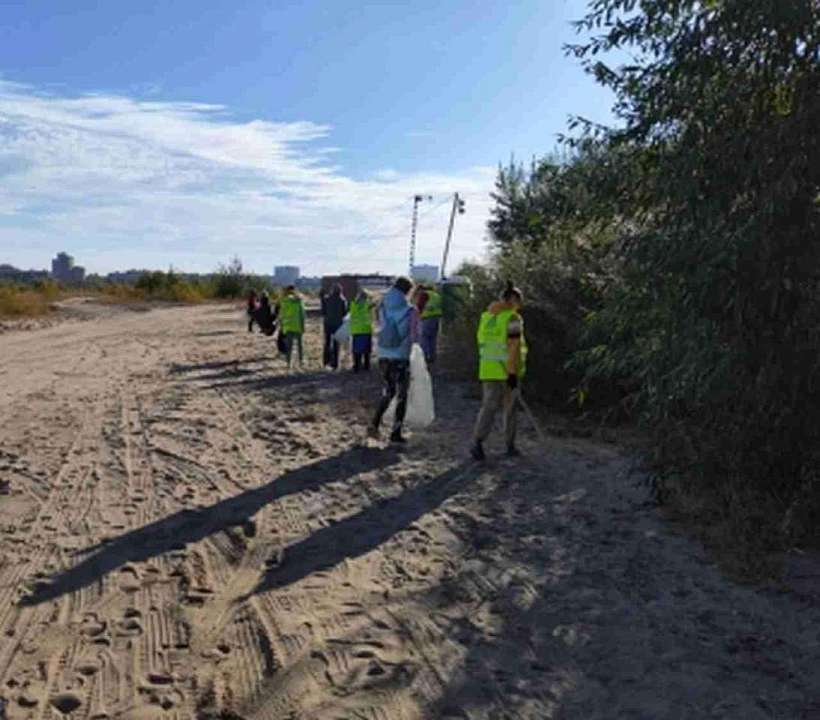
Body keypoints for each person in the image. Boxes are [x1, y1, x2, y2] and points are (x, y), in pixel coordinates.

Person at [470, 282, 527, 461]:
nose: (520, 306)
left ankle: (477, 442)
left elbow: (482, 343)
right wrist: (512, 373)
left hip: (487, 369)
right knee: (510, 410)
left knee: (488, 407)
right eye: (519, 301)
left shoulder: (486, 317)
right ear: (512, 300)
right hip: (507, 371)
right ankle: (510, 445)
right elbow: (513, 347)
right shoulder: (512, 319)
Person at [368, 276, 419, 443]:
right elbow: (414, 336)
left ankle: (374, 424)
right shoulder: (410, 310)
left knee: (388, 391)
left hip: (383, 353)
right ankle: (396, 432)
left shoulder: (381, 305)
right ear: (407, 291)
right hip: (401, 356)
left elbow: (379, 324)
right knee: (402, 394)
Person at [277, 285, 305, 369]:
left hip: (288, 327)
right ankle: (301, 361)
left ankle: (288, 363)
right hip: (298, 326)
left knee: (289, 346)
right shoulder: (299, 301)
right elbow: (302, 314)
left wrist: (282, 326)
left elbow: (281, 315)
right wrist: (303, 326)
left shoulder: (284, 301)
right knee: (300, 345)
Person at [322, 283, 348, 370]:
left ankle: (326, 361)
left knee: (327, 343)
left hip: (328, 323)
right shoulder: (343, 300)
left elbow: (323, 312)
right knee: (336, 344)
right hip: (338, 324)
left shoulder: (327, 299)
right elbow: (344, 313)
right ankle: (335, 364)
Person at [349, 288, 374, 372]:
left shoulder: (353, 305)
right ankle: (367, 366)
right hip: (366, 329)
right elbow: (374, 304)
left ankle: (356, 366)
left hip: (356, 330)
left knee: (356, 350)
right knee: (367, 349)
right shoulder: (368, 305)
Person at [417, 283, 443, 365]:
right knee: (433, 338)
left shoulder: (424, 294)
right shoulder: (437, 295)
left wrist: (418, 315)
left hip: (427, 318)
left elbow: (419, 306)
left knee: (424, 338)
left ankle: (424, 356)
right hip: (436, 318)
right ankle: (432, 356)